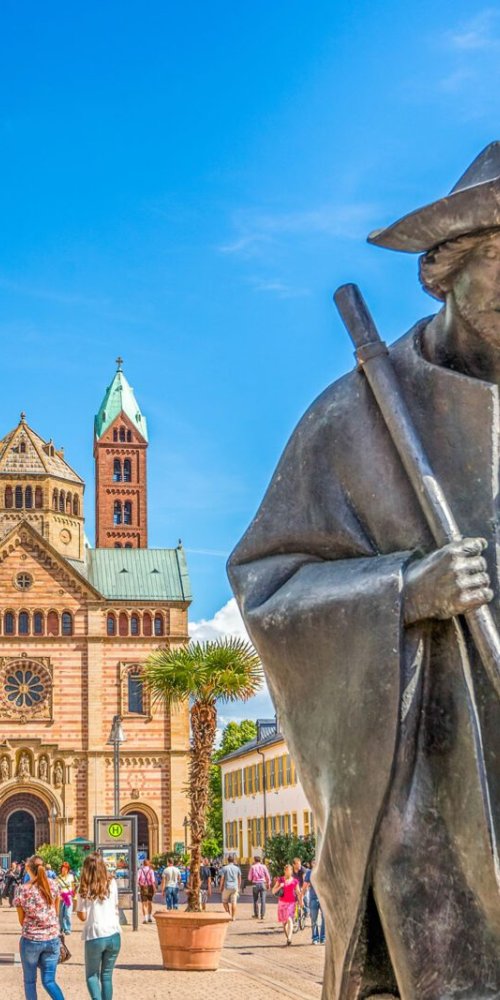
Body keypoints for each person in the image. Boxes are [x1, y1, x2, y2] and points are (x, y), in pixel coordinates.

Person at [228, 141, 500, 998]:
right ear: (447, 271)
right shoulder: (353, 421)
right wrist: (404, 590)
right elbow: (270, 582)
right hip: (431, 791)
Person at [14, 854, 65, 1000]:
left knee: (30, 981)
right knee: (49, 981)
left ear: (28, 868)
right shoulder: (54, 885)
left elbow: (21, 920)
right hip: (52, 938)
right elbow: (55, 912)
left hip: (31, 939)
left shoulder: (23, 890)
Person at [77, 854, 121, 1000]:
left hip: (95, 935)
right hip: (114, 934)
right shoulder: (112, 883)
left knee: (91, 975)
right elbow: (115, 905)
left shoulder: (84, 887)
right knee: (107, 976)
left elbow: (82, 915)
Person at [272, 863, 301, 946]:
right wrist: (279, 886)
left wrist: (301, 900)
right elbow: (273, 891)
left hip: (291, 903)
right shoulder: (280, 880)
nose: (289, 872)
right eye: (287, 870)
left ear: (291, 871)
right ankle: (288, 937)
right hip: (282, 903)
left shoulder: (295, 881)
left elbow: (298, 892)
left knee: (289, 920)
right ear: (285, 871)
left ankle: (289, 938)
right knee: (284, 924)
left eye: (290, 870)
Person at [304, 860, 324, 945]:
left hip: (323, 899)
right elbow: (305, 885)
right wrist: (301, 895)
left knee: (325, 919)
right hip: (313, 899)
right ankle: (315, 938)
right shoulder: (309, 873)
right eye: (313, 863)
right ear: (312, 864)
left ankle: (323, 938)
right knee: (314, 920)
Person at [247, 855, 271, 920]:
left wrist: (252, 878)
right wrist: (268, 884)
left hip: (255, 884)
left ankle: (256, 914)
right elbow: (268, 876)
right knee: (263, 900)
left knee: (255, 900)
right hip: (263, 884)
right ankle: (262, 915)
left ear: (254, 860)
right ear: (260, 860)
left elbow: (249, 878)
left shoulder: (252, 867)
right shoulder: (264, 866)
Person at [219, 854, 241, 921]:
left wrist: (220, 887)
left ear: (227, 861)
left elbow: (222, 879)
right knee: (234, 902)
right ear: (233, 860)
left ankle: (228, 913)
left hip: (227, 886)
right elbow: (239, 878)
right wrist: (239, 886)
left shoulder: (224, 868)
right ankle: (233, 916)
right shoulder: (237, 868)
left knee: (224, 901)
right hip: (234, 887)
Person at [57, 862, 75, 935]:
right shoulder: (58, 878)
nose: (64, 870)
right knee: (61, 914)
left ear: (68, 870)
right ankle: (62, 927)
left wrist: (72, 893)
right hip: (61, 897)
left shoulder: (71, 876)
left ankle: (68, 929)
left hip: (68, 897)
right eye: (63, 868)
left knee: (67, 914)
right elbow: (57, 888)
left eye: (66, 868)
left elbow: (73, 886)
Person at [137, 859, 156, 923]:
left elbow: (137, 880)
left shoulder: (140, 870)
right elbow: (153, 881)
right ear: (148, 864)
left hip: (143, 888)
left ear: (143, 864)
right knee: (150, 903)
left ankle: (145, 919)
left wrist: (140, 885)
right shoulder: (151, 871)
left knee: (144, 904)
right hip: (150, 887)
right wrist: (155, 888)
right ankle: (150, 917)